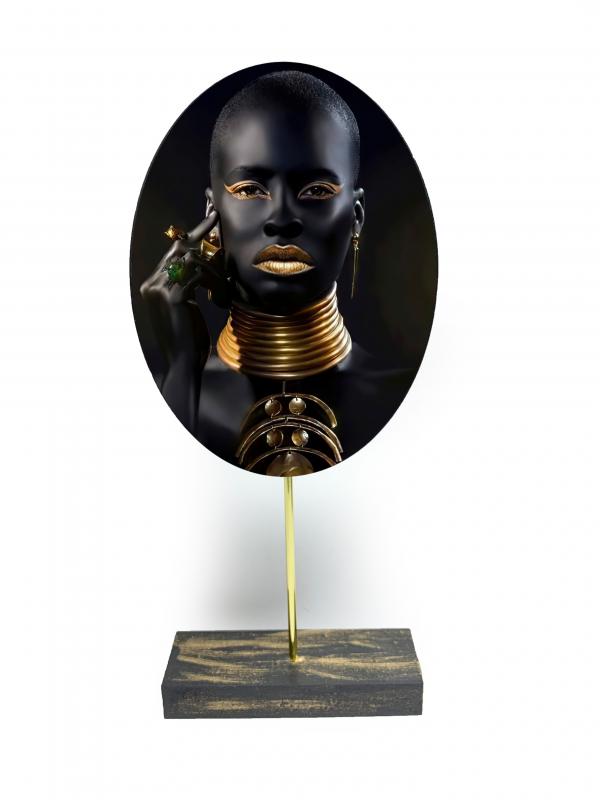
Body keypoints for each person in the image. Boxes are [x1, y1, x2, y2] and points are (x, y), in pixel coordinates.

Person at [140, 70, 415, 476]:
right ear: (212, 213)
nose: (282, 219)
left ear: (355, 217)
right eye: (251, 190)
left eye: (316, 191)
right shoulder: (171, 397)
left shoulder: (408, 401)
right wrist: (182, 372)